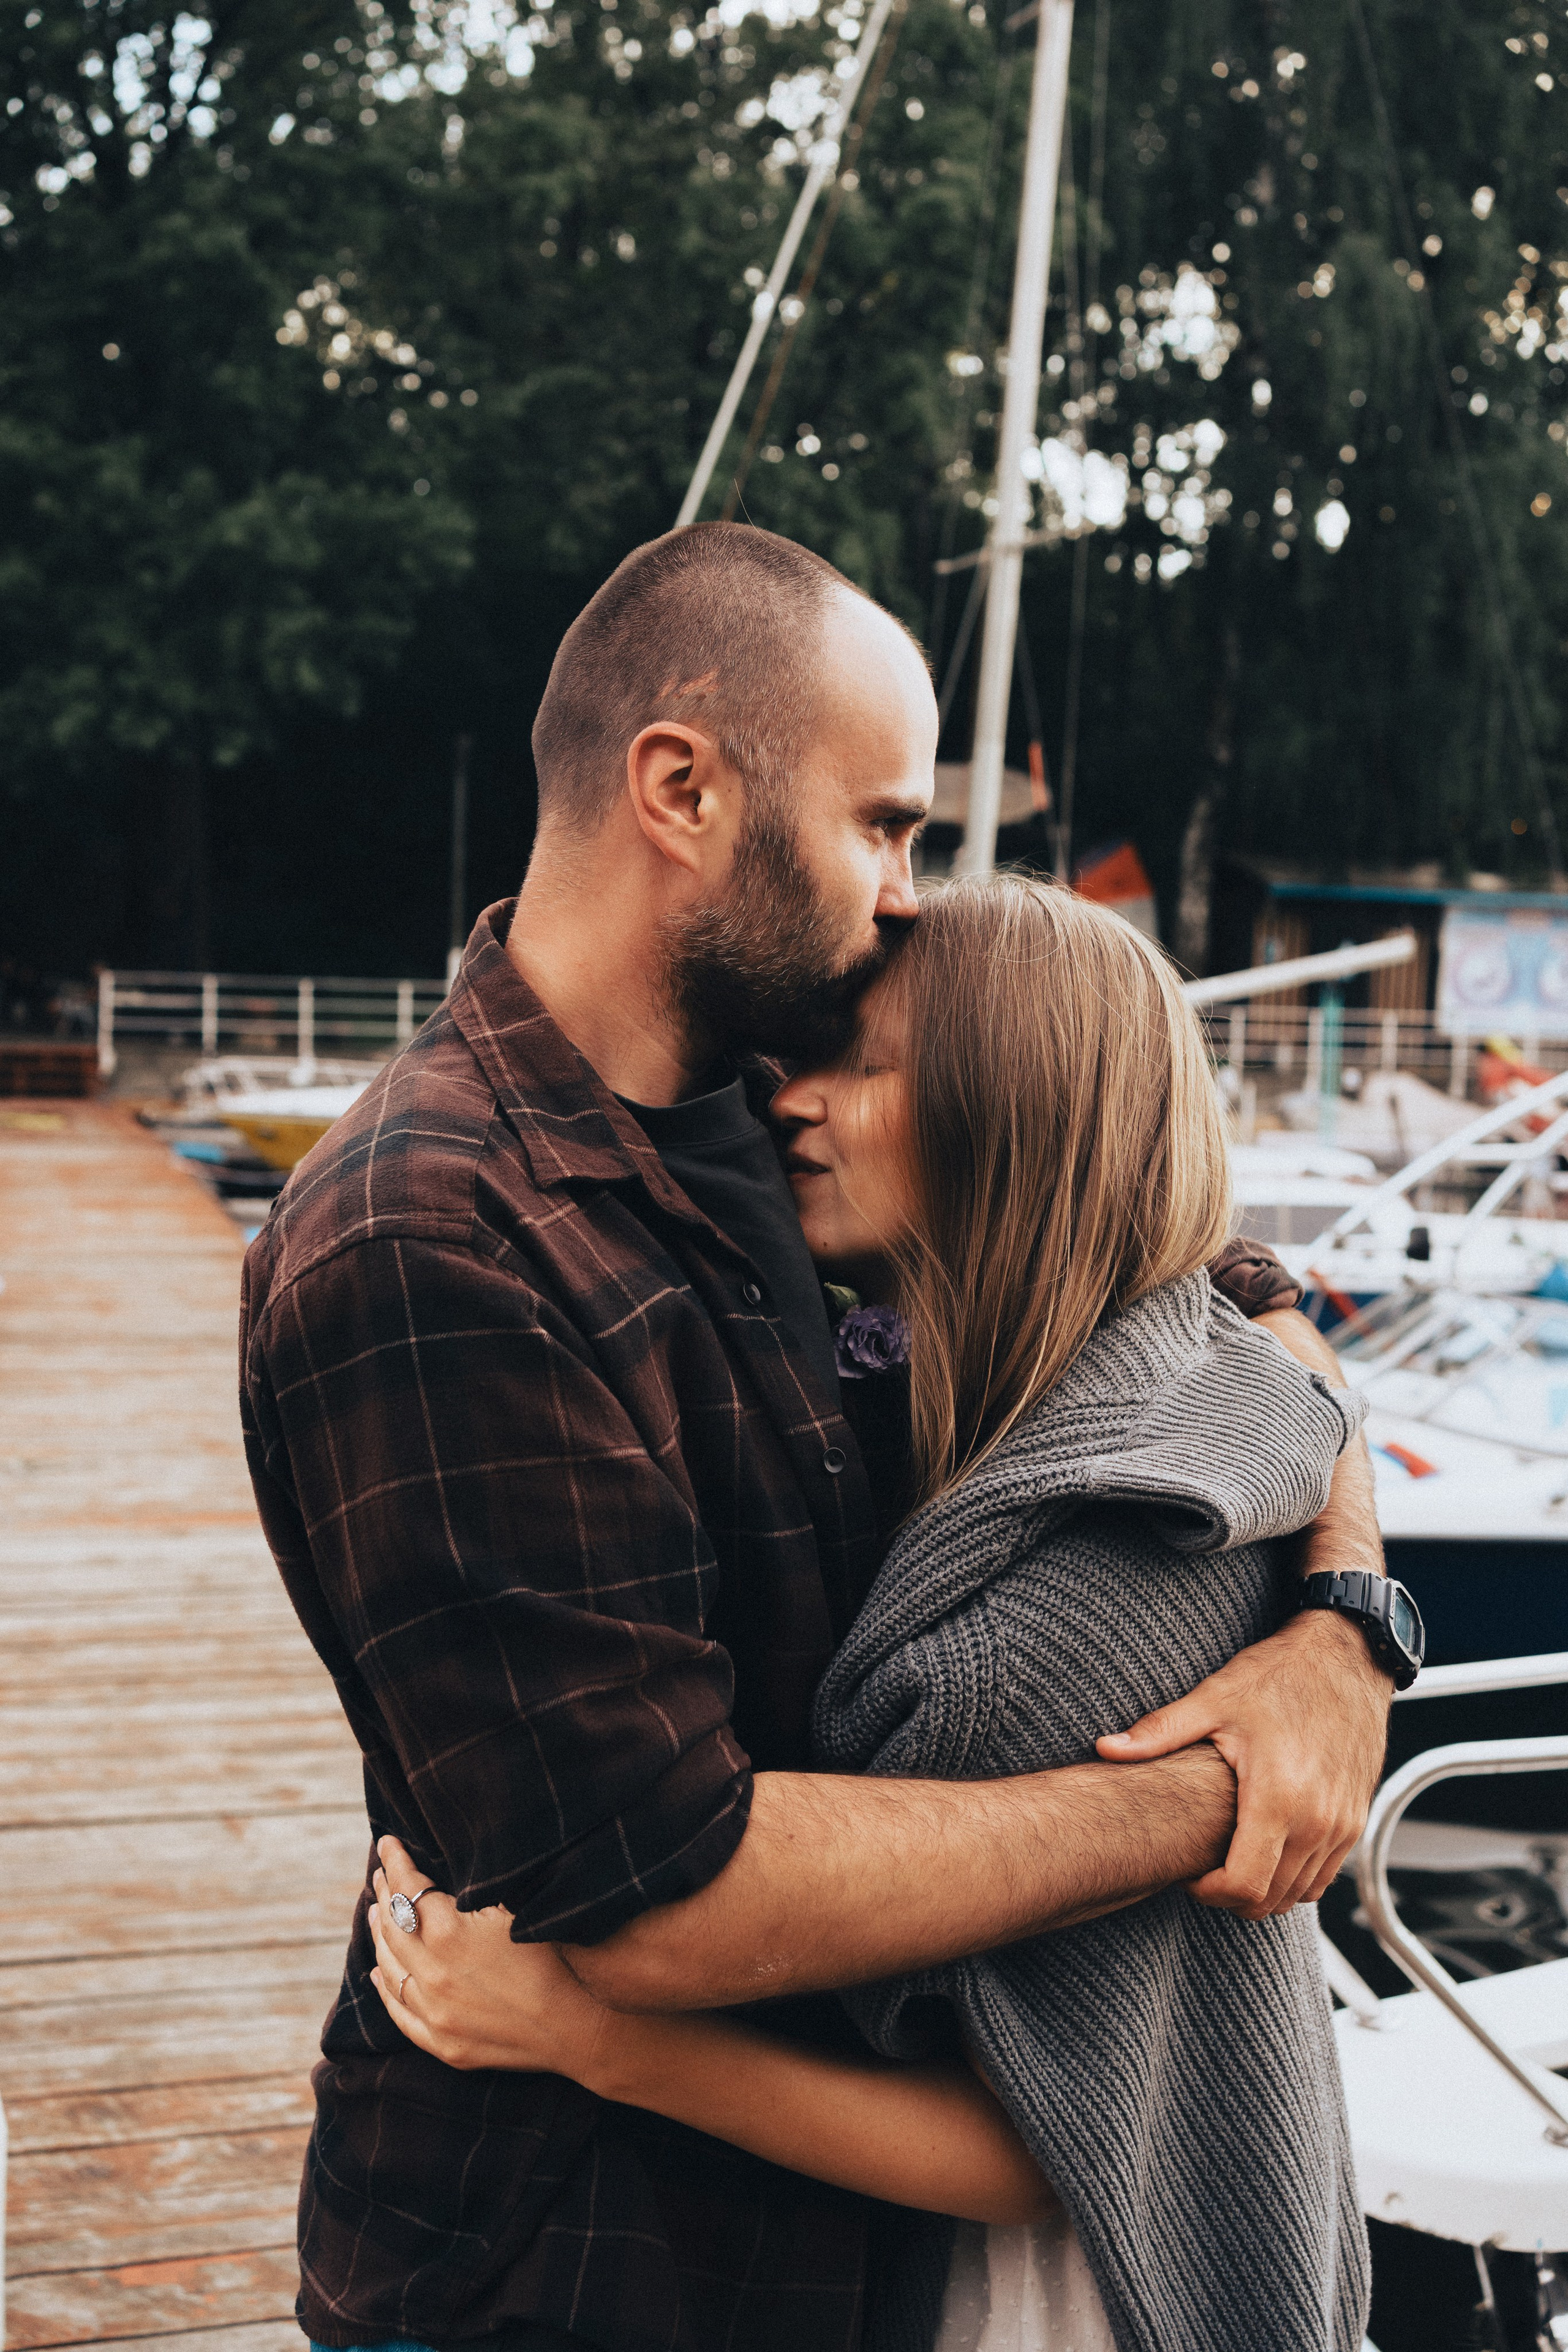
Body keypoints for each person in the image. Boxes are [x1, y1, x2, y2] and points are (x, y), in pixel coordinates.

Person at [238, 523, 1391, 2352]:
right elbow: (652, 1895)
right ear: (683, 788)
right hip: (573, 2276)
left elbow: (1212, 1297)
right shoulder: (433, 1241)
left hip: (835, 2257)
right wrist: (1214, 1796)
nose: (907, 891)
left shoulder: (745, 1119)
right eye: (886, 825)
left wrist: (1342, 1633)